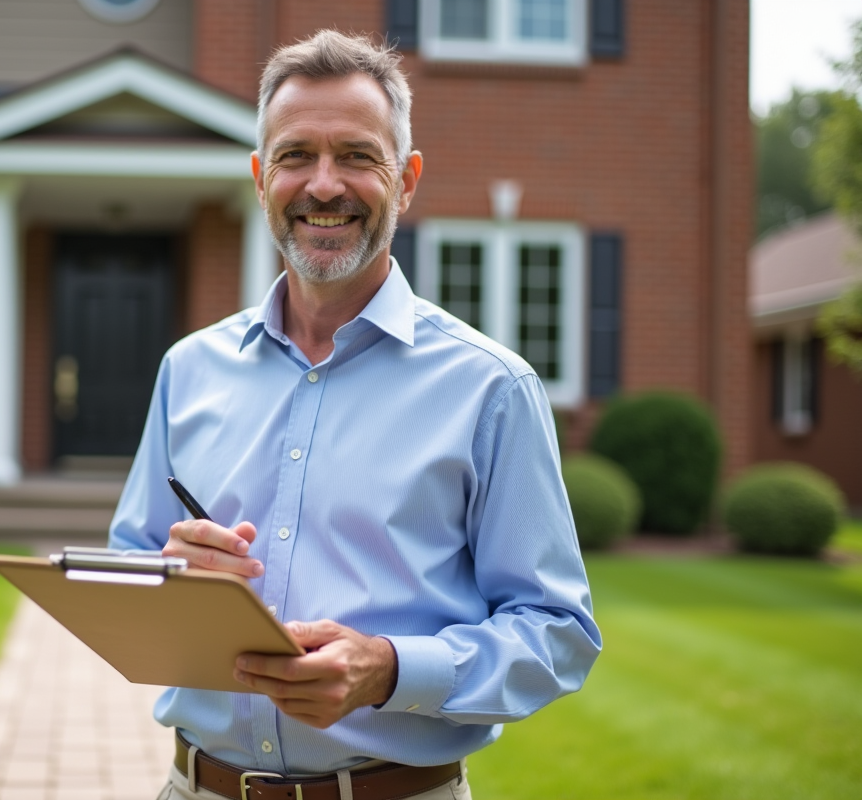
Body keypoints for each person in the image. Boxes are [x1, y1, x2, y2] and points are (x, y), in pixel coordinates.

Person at [109, 29, 601, 800]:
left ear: (405, 181)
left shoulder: (491, 388)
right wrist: (172, 576)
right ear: (259, 177)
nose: (324, 185)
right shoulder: (189, 369)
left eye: (357, 156)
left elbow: (558, 634)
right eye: (296, 155)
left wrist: (390, 670)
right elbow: (125, 566)